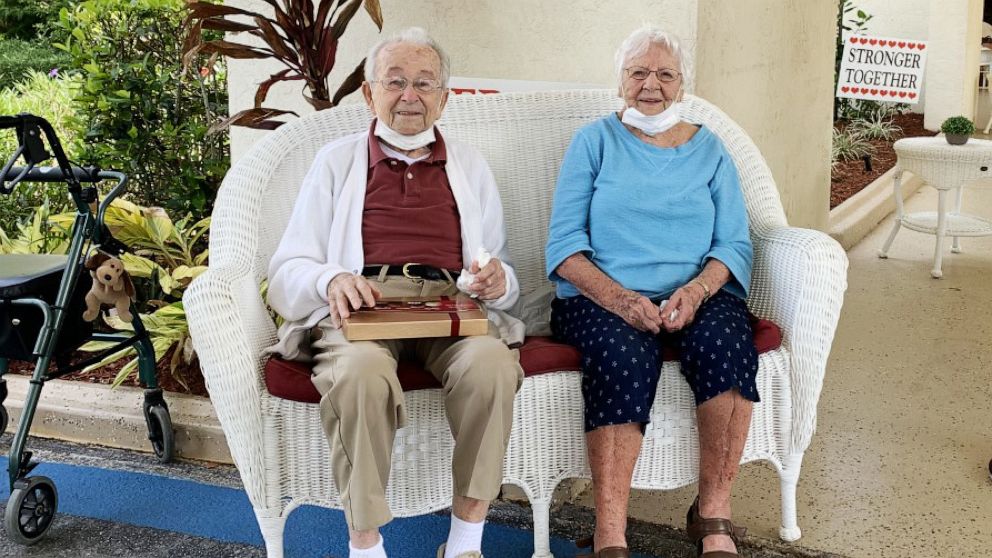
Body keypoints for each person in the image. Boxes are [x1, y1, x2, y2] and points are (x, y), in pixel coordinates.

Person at [266, 27, 524, 558]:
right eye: (396, 81)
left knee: (491, 366)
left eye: (425, 83)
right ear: (369, 92)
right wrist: (331, 278)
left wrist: (498, 278)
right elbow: (288, 267)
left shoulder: (470, 165)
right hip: (364, 305)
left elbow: (496, 266)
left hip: (449, 304)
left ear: (444, 97)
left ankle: (465, 542)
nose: (410, 95)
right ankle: (365, 545)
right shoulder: (336, 161)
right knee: (360, 373)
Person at [544, 25, 757, 558]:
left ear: (681, 84)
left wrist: (699, 289)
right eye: (638, 72)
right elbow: (565, 247)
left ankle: (713, 515)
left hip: (698, 294)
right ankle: (610, 534)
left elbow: (734, 242)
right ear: (620, 82)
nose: (650, 84)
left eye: (664, 74)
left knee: (727, 348)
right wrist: (621, 299)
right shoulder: (593, 141)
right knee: (622, 356)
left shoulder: (710, 149)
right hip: (603, 298)